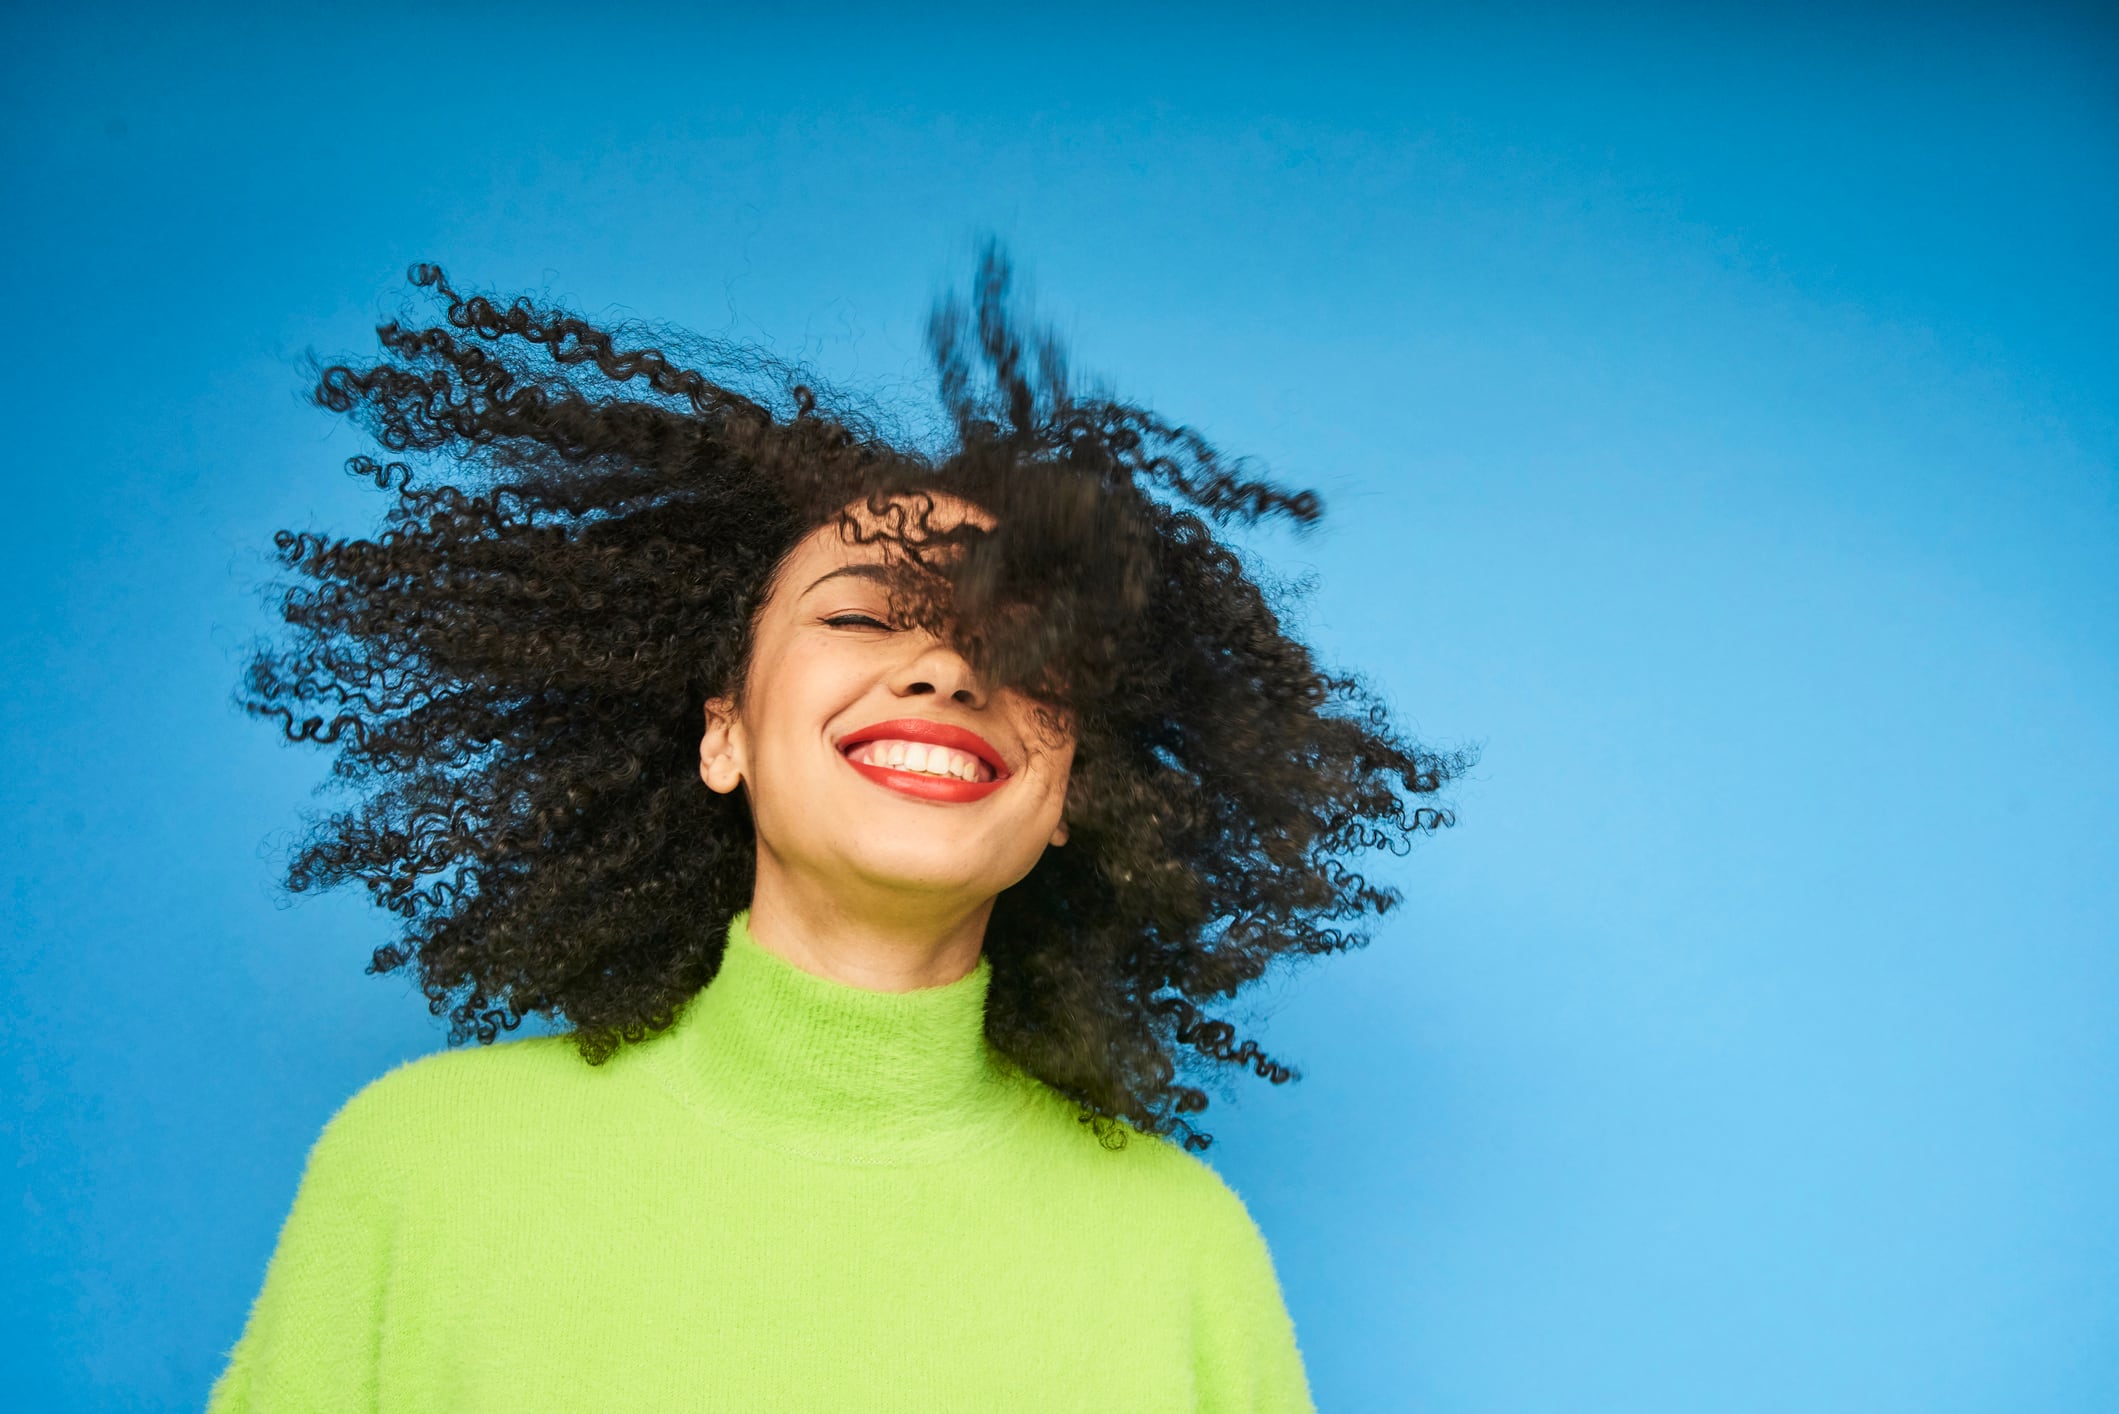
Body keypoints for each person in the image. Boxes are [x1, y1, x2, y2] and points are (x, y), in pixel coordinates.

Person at [207, 248, 1470, 1411]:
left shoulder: (1182, 1249)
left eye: (1018, 651)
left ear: (1077, 795)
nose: (945, 675)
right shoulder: (422, 1165)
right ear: (725, 733)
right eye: (863, 620)